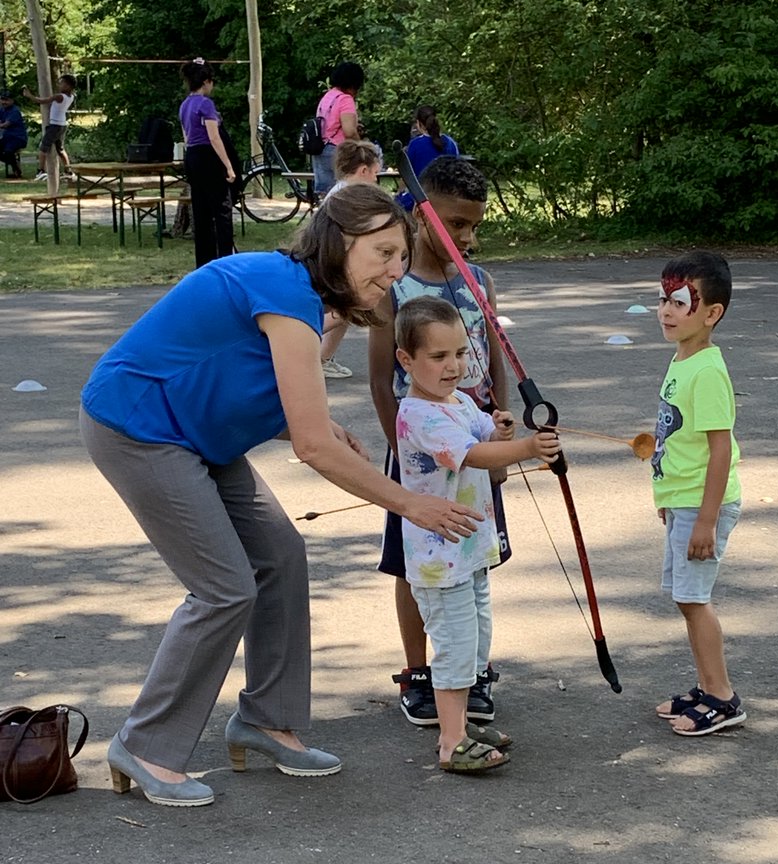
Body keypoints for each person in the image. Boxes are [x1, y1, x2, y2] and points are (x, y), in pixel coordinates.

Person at [79, 185, 482, 809]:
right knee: (224, 587)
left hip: (199, 436)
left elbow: (241, 377)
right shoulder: (283, 288)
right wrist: (410, 502)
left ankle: (267, 719)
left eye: (401, 256)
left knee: (281, 556)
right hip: (138, 430)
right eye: (381, 253)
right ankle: (147, 743)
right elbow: (314, 448)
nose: (395, 271)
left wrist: (305, 419)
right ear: (337, 243)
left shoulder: (312, 300)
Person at [368, 155, 510, 727]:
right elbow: (382, 380)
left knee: (473, 556)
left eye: (476, 225)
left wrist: (502, 422)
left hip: (475, 442)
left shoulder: (481, 282)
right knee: (415, 563)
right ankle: (419, 672)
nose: (468, 236)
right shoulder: (392, 289)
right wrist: (403, 459)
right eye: (456, 224)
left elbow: (494, 361)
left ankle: (469, 670)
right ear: (422, 216)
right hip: (420, 448)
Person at [395, 296, 559, 772]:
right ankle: (450, 742)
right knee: (456, 643)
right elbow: (472, 456)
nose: (454, 366)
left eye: (461, 353)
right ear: (406, 360)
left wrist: (504, 430)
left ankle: (460, 723)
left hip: (469, 550)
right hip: (438, 556)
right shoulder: (419, 415)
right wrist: (528, 447)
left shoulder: (461, 401)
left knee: (476, 641)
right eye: (439, 357)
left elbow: (487, 438)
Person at [651, 252, 744, 737]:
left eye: (680, 301)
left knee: (694, 599)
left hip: (703, 506)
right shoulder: (683, 358)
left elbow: (720, 450)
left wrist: (706, 520)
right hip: (684, 502)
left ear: (711, 313)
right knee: (686, 599)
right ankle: (708, 687)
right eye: (663, 299)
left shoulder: (707, 371)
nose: (667, 310)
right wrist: (668, 498)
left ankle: (723, 698)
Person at [321, 140, 384, 380]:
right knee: (349, 309)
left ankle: (323, 355)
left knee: (349, 310)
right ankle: (315, 352)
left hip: (335, 261)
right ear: (364, 171)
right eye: (376, 174)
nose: (376, 181)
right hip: (333, 264)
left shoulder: (341, 191)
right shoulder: (348, 196)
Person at [179, 58, 238, 269]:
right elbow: (214, 137)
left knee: (201, 210)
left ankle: (203, 262)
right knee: (222, 209)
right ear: (205, 81)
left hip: (192, 156)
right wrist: (228, 165)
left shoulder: (185, 104)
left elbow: (186, 136)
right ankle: (225, 258)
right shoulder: (206, 104)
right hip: (208, 155)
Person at [313, 62, 365, 198]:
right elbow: (349, 132)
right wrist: (361, 146)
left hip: (321, 150)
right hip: (337, 152)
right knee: (342, 195)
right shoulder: (345, 99)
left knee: (326, 196)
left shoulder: (328, 97)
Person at [397, 106, 460, 211]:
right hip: (446, 198)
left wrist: (399, 193)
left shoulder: (415, 144)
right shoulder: (450, 143)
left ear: (419, 123)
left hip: (420, 198)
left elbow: (407, 175)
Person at [22, 73, 76, 181]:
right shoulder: (71, 96)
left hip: (55, 125)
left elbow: (41, 101)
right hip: (62, 124)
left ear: (68, 86)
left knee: (43, 147)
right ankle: (68, 171)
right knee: (60, 149)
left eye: (62, 83)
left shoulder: (59, 96)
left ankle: (41, 171)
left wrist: (29, 96)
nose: (59, 85)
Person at [0, 90, 27, 178]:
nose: (4, 102)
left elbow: (5, 125)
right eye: (2, 99)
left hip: (18, 138)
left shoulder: (15, 111)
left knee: (8, 151)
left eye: (6, 100)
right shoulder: (2, 110)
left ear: (12, 100)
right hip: (7, 137)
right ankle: (14, 162)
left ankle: (16, 170)